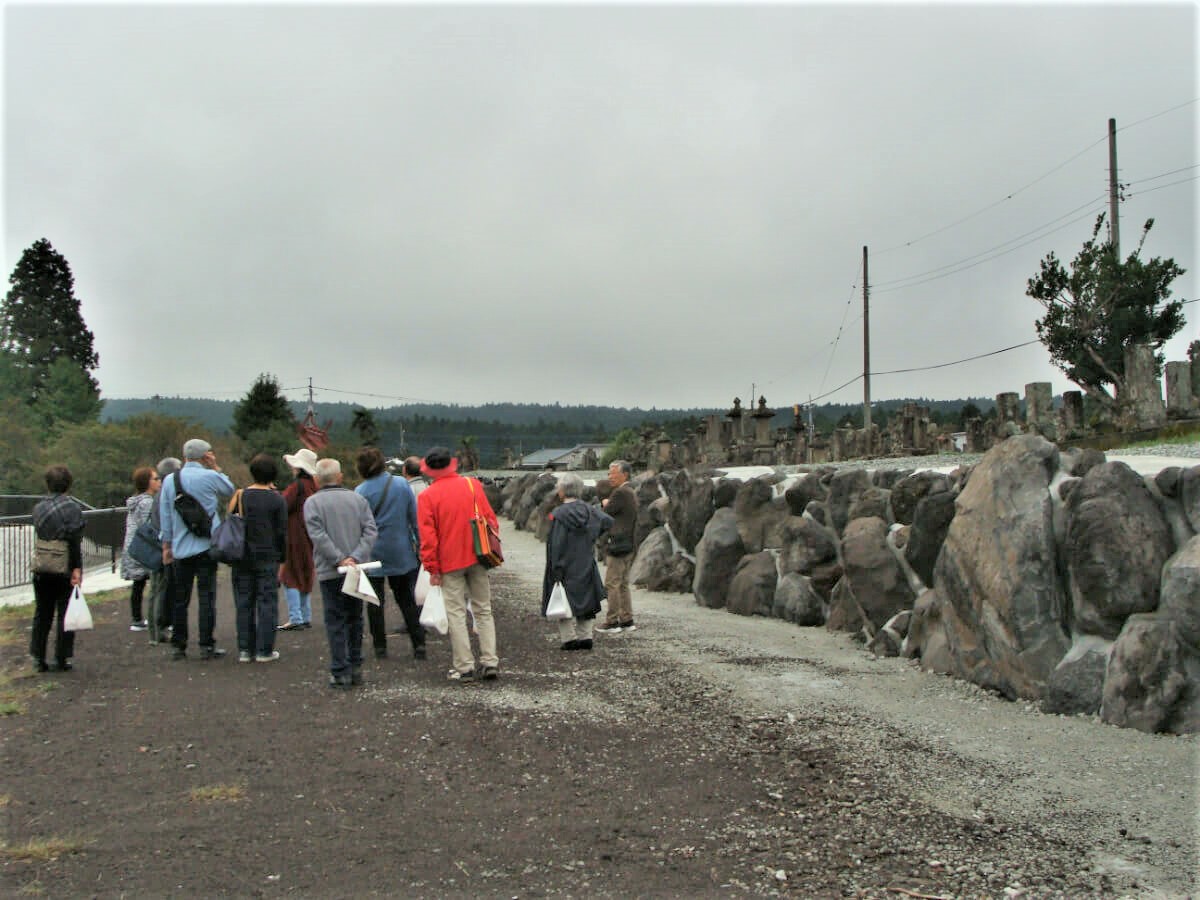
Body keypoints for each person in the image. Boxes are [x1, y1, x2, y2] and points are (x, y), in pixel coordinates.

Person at [417, 446, 500, 683]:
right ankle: (490, 661)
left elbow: (428, 536)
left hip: (449, 560)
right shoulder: (472, 485)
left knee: (456, 613)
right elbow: (490, 519)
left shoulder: (427, 496)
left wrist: (432, 568)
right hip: (478, 555)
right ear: (452, 464)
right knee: (483, 608)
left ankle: (464, 666)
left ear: (430, 469)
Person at [304, 458, 377, 689]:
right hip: (357, 569)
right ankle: (355, 665)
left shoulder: (312, 503)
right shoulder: (358, 499)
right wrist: (355, 556)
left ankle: (339, 669)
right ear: (340, 476)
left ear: (316, 479)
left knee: (335, 619)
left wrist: (338, 558)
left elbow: (317, 535)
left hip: (329, 570)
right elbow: (370, 530)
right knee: (355, 617)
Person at [159, 438, 235, 660]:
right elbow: (229, 490)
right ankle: (206, 645)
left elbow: (165, 514)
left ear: (184, 457)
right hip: (207, 546)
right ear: (205, 456)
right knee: (206, 596)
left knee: (180, 598)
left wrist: (167, 544)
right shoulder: (210, 476)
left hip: (181, 548)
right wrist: (215, 467)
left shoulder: (171, 480)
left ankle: (179, 646)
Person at [354, 447, 426, 660]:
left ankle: (380, 647)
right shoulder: (401, 484)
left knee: (375, 602)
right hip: (400, 549)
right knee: (407, 600)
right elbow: (414, 519)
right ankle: (419, 643)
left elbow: (358, 526)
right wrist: (422, 547)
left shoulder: (360, 492)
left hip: (372, 552)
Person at [542, 472, 612, 651]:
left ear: (563, 491)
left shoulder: (559, 514)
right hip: (586, 560)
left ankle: (569, 638)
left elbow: (557, 544)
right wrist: (592, 536)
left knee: (562, 599)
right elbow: (607, 521)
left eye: (559, 487)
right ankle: (586, 637)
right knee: (586, 598)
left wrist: (555, 567)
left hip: (565, 564)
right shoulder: (589, 510)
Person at [231, 454, 288, 663]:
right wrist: (283, 559)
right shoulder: (277, 499)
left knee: (244, 601)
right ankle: (265, 650)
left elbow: (230, 520)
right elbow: (282, 532)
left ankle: (245, 649)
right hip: (268, 555)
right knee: (267, 602)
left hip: (241, 555)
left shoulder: (240, 495)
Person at [29, 465, 86, 673]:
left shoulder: (38, 508)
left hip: (42, 564)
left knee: (42, 612)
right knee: (65, 612)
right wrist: (77, 569)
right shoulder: (72, 509)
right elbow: (75, 540)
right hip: (65, 564)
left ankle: (38, 656)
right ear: (68, 484)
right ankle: (61, 657)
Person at [595, 459, 639, 634]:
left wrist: (605, 503)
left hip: (618, 543)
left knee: (612, 583)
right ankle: (627, 619)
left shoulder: (620, 493)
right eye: (609, 473)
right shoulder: (631, 491)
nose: (610, 477)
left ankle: (612, 621)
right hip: (629, 542)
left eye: (613, 474)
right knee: (623, 584)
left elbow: (605, 514)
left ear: (624, 474)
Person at [278, 447, 319, 631]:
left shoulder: (297, 486)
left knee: (289, 575)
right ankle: (305, 615)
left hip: (295, 534)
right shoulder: (313, 486)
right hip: (310, 534)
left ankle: (296, 617)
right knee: (305, 572)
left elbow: (283, 505)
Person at [146, 457, 181, 644]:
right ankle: (157, 630)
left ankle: (156, 630)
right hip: (163, 548)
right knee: (160, 589)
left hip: (157, 546)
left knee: (157, 589)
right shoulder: (167, 494)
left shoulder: (159, 495)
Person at [120, 466, 160, 630]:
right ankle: (156, 618)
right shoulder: (147, 503)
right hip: (145, 549)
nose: (159, 482)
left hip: (133, 548)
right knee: (156, 584)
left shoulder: (135, 501)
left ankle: (136, 619)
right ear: (147, 482)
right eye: (155, 479)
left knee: (138, 585)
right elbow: (150, 527)